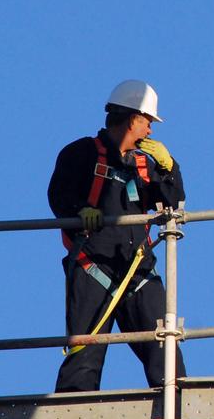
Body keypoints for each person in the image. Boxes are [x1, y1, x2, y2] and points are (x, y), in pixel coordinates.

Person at [48, 79, 186, 394]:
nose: (151, 129)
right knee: (85, 354)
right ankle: (73, 417)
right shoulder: (81, 153)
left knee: (165, 350)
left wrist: (168, 168)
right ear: (130, 118)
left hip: (138, 271)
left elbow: (173, 203)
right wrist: (78, 210)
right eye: (147, 121)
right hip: (94, 268)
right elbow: (58, 193)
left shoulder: (143, 164)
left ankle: (175, 409)